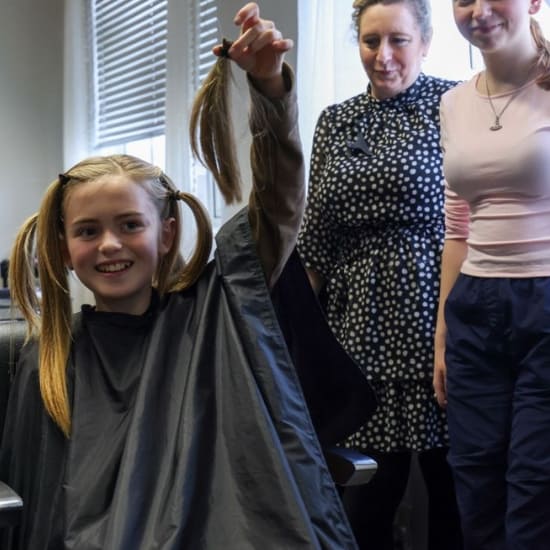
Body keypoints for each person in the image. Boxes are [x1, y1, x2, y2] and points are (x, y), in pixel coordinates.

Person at [0, 4, 373, 549]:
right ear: (63, 247)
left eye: (130, 225)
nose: (109, 244)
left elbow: (278, 209)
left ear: (167, 234)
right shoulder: (50, 361)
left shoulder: (213, 321)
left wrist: (270, 89)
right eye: (87, 231)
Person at [298, 1, 463, 549]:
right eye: (371, 41)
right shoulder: (336, 120)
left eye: (398, 40)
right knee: (364, 496)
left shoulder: (457, 104)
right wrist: (293, 342)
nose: (384, 55)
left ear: (426, 41)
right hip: (357, 329)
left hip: (438, 320)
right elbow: (317, 237)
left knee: (452, 494)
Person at [433, 0, 550, 548]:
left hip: (545, 299)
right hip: (474, 309)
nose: (477, 11)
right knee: (475, 488)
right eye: (462, 0)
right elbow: (458, 227)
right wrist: (442, 337)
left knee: (534, 494)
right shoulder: (453, 103)